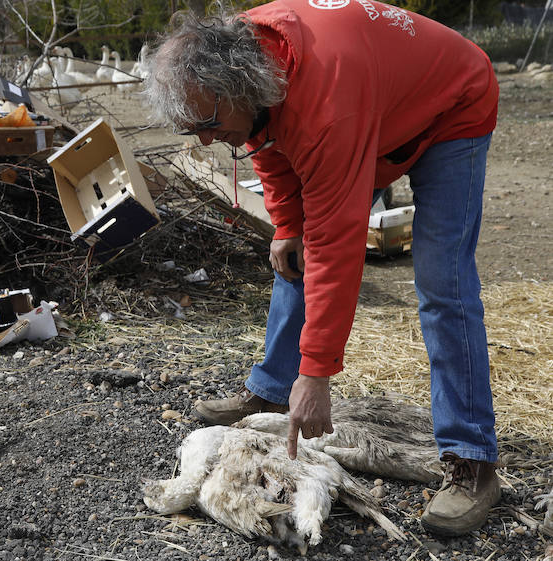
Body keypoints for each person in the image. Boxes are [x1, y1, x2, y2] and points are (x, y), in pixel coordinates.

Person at [143, 0, 500, 537]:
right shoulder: (244, 57)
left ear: (239, 89)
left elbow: (337, 244)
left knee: (442, 283)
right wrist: (287, 224)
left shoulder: (326, 107)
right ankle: (272, 390)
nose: (207, 141)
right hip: (375, 103)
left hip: (451, 105)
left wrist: (317, 372)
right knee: (295, 250)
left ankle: (472, 459)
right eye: (193, 129)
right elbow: (265, 140)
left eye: (210, 125)